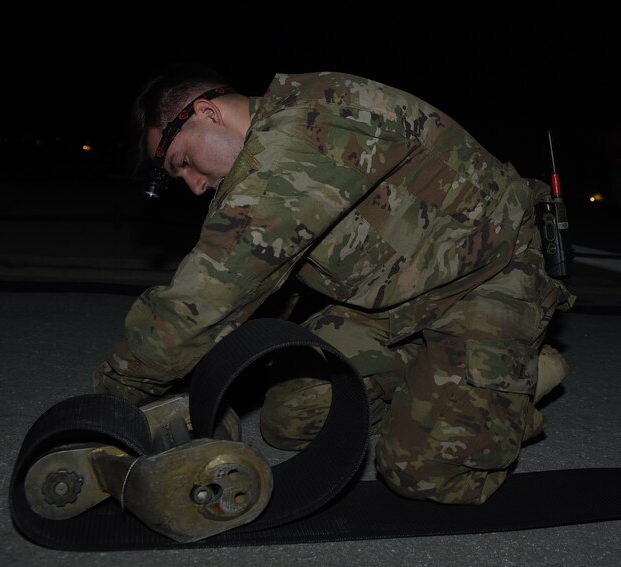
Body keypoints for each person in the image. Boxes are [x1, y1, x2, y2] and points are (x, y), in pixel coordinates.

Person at [93, 63, 575, 505]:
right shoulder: (270, 145)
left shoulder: (304, 133)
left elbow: (210, 294)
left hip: (487, 278)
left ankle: (514, 383)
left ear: (206, 112)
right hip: (393, 298)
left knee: (423, 472)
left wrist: (113, 397)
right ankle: (439, 385)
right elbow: (263, 287)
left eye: (182, 161)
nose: (194, 185)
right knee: (290, 419)